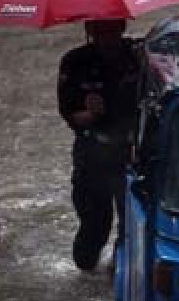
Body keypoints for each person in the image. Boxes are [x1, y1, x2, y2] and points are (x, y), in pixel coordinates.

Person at [57, 19, 141, 272]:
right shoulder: (75, 62)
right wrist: (90, 114)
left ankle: (121, 273)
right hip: (93, 155)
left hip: (133, 154)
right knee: (95, 226)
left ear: (123, 27)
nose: (107, 37)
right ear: (89, 31)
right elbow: (70, 114)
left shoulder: (140, 55)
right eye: (100, 31)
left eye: (113, 30)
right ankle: (84, 273)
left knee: (133, 225)